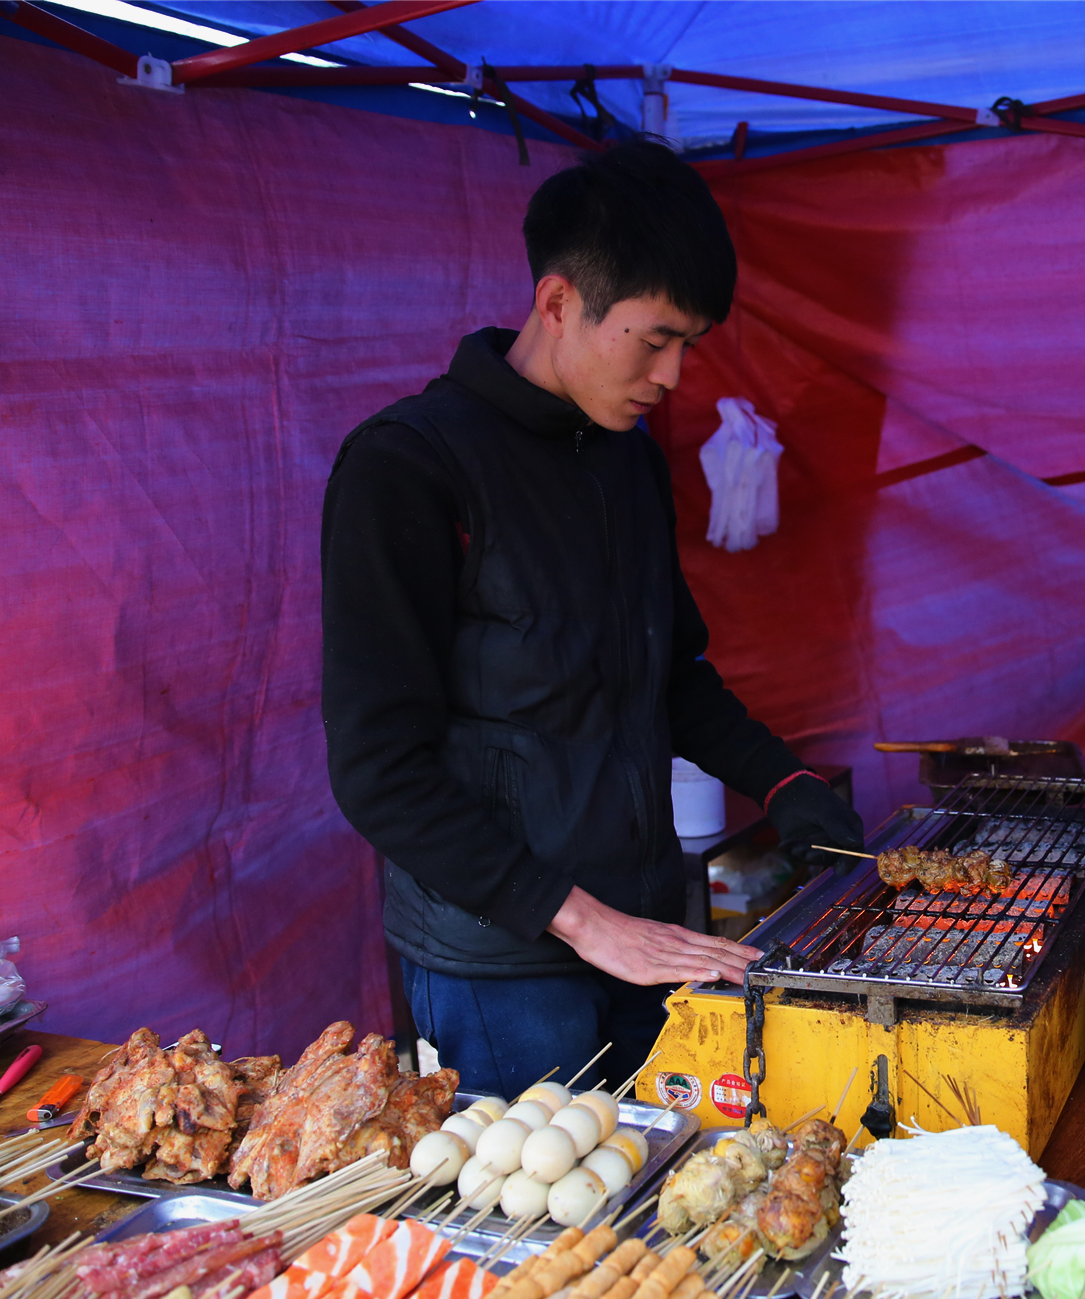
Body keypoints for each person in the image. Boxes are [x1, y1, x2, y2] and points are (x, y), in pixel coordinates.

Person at [319, 141, 863, 1098]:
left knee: (652, 1212)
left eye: (689, 345)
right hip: (502, 962)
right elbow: (378, 772)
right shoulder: (408, 468)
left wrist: (783, 783)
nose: (675, 375)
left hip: (643, 930)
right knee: (544, 1236)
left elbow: (670, 672)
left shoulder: (627, 459)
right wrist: (578, 919)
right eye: (654, 339)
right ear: (560, 303)